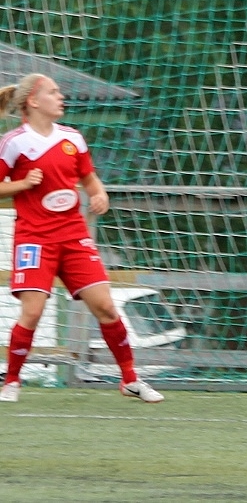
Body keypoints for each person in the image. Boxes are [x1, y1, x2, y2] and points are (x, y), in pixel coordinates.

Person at [0, 73, 163, 403]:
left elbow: (89, 179)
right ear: (33, 101)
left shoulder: (72, 138)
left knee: (106, 307)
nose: (61, 97)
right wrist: (23, 184)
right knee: (32, 312)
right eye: (53, 92)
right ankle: (12, 381)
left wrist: (100, 194)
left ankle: (130, 379)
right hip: (35, 240)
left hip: (74, 237)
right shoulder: (13, 142)